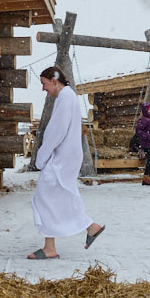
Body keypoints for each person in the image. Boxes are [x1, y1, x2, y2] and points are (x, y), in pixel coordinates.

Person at [28, 66, 105, 259]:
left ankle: (51, 247)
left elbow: (56, 132)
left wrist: (41, 157)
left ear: (54, 81)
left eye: (44, 83)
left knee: (44, 198)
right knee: (59, 196)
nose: (43, 89)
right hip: (68, 155)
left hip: (62, 157)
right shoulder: (68, 96)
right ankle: (89, 227)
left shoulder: (64, 98)